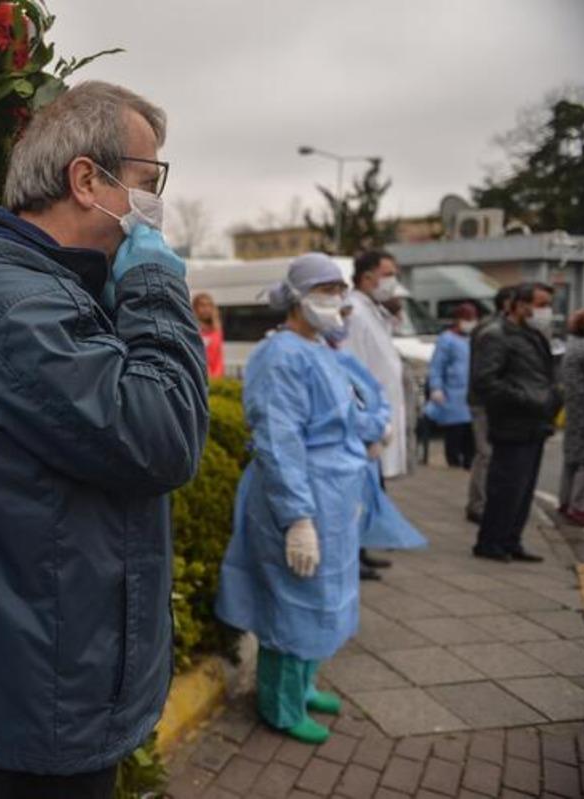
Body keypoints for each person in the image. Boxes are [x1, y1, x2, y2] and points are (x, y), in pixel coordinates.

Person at [0, 81, 209, 797]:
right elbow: (161, 433)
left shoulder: (53, 292)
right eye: (145, 181)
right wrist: (160, 291)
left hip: (56, 682)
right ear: (85, 180)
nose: (152, 206)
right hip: (41, 697)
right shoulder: (10, 306)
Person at [215, 253, 365, 746]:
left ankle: (304, 685)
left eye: (340, 289)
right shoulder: (278, 355)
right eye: (326, 290)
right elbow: (279, 441)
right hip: (296, 494)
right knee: (292, 599)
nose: (337, 300)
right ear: (298, 297)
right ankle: (279, 704)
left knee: (324, 594)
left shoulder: (321, 347)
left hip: (335, 496)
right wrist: (297, 518)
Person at [325, 303, 426, 580]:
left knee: (363, 507)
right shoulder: (317, 359)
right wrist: (371, 428)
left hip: (362, 449)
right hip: (345, 453)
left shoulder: (343, 356)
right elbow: (340, 410)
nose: (342, 323)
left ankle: (360, 554)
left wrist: (381, 424)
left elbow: (373, 391)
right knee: (343, 517)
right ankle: (353, 560)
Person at [471, 281, 561, 562]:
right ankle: (490, 542)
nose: (546, 311)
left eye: (548, 305)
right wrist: (527, 399)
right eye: (540, 304)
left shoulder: (533, 334)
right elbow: (485, 382)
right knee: (506, 487)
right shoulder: (496, 334)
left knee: (523, 490)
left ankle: (511, 540)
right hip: (512, 422)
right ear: (520, 305)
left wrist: (552, 397)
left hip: (535, 423)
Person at [342, 250, 405, 573]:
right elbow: (353, 369)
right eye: (389, 273)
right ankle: (355, 555)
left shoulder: (371, 310)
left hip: (379, 418)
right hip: (367, 419)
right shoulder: (355, 312)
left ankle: (363, 551)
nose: (394, 280)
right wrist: (364, 421)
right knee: (363, 489)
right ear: (367, 276)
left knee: (373, 488)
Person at [466, 286, 516, 523]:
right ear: (507, 304)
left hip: (496, 402)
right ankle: (478, 505)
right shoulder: (492, 330)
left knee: (492, 455)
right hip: (485, 402)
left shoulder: (505, 329)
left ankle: (488, 503)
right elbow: (484, 373)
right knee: (485, 454)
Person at [425, 303, 479, 469]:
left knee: (471, 433)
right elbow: (437, 366)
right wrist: (436, 388)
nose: (470, 322)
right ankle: (453, 462)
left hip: (471, 393)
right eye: (466, 319)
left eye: (473, 319)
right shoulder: (446, 339)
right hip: (453, 393)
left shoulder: (474, 338)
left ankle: (469, 462)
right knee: (455, 431)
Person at [559, 309, 584, 526]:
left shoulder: (573, 346)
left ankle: (565, 501)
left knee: (572, 459)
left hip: (574, 410)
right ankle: (579, 507)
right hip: (583, 409)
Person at [194, 291, 226, 379]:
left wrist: (216, 378)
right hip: (197, 378)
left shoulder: (217, 331)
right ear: (195, 308)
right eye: (202, 305)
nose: (206, 309)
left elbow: (219, 358)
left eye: (209, 305)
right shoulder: (191, 330)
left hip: (215, 378)